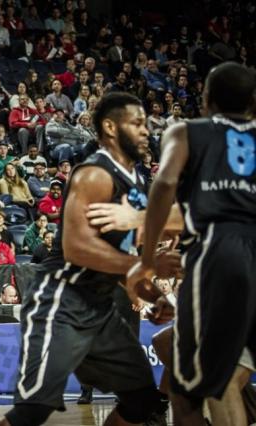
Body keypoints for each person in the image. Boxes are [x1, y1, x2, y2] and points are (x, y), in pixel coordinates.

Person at [0, 92, 182, 426]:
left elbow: (119, 255)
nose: (145, 131)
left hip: (99, 308)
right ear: (110, 127)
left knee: (143, 403)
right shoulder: (94, 173)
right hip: (61, 300)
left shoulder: (137, 181)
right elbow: (77, 248)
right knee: (32, 412)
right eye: (136, 123)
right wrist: (144, 266)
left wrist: (152, 294)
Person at [127, 62, 256, 426]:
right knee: (192, 378)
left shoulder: (185, 131)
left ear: (205, 100)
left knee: (214, 380)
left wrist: (148, 258)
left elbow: (164, 184)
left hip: (220, 250)